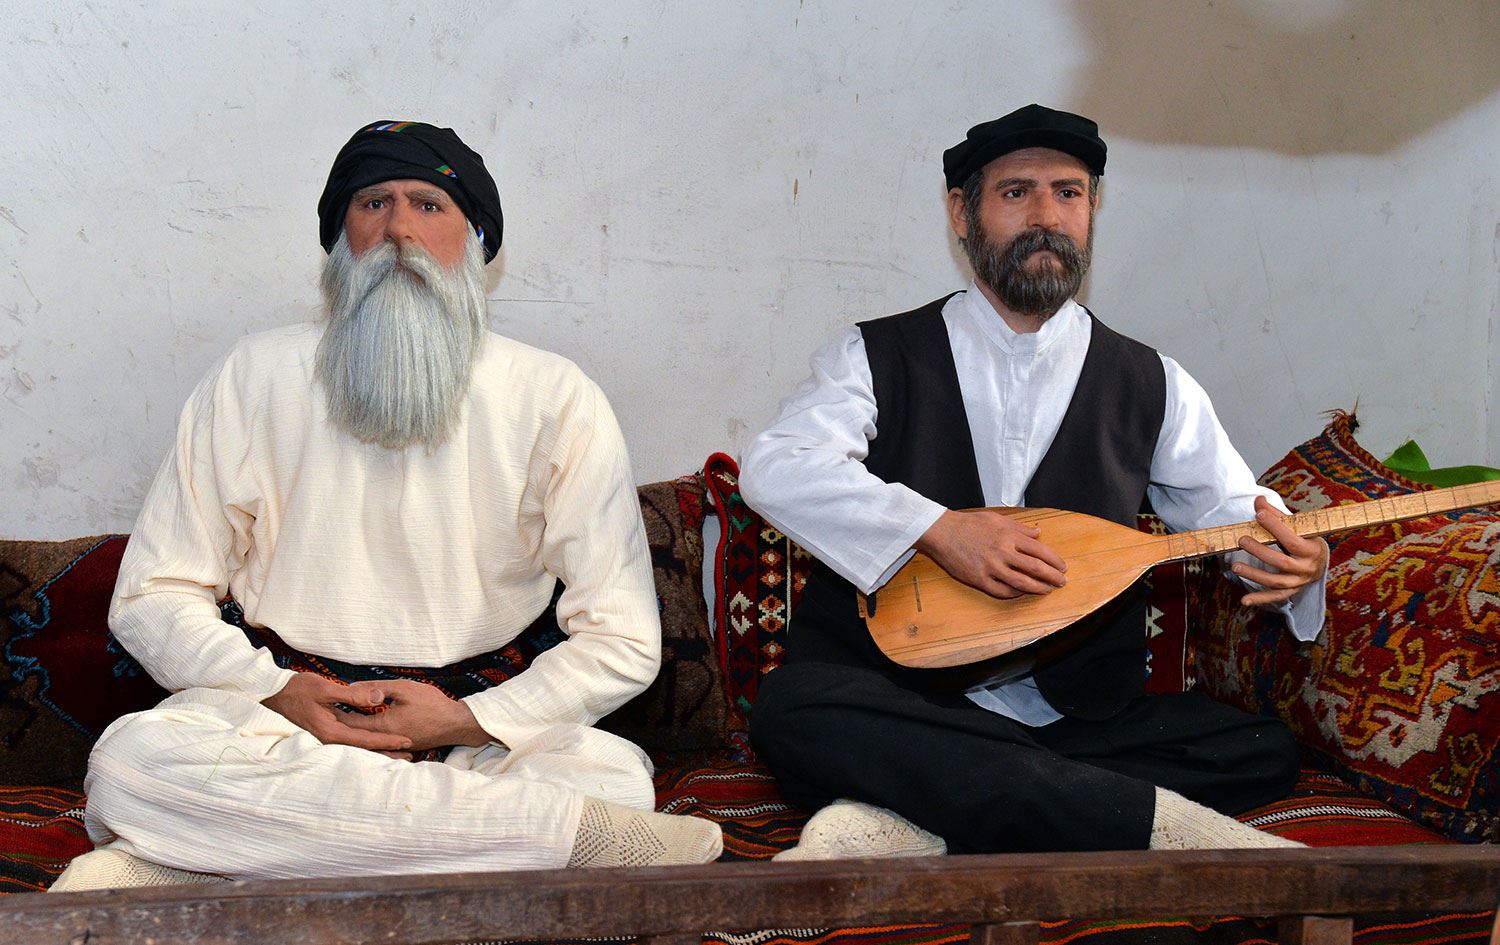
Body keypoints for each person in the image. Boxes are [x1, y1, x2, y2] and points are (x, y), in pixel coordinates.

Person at [51, 120, 721, 891]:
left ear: (473, 240)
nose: (400, 228)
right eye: (373, 202)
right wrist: (280, 691)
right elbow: (153, 595)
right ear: (341, 239)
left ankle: (201, 856)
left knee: (609, 778)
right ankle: (551, 839)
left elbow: (623, 636)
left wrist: (464, 719)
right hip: (284, 721)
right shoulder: (252, 375)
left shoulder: (556, 396)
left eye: (429, 205)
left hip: (481, 726)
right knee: (134, 764)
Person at [740, 104, 1328, 860]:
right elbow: (778, 466)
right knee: (793, 709)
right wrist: (938, 530)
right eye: (1017, 192)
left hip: (1067, 715)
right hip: (899, 694)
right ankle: (1144, 819)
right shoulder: (875, 355)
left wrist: (1291, 560)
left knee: (1258, 747)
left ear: (1091, 211)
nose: (1047, 214)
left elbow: (1234, 513)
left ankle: (913, 810)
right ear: (962, 212)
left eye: (1070, 192)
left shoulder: (1150, 381)